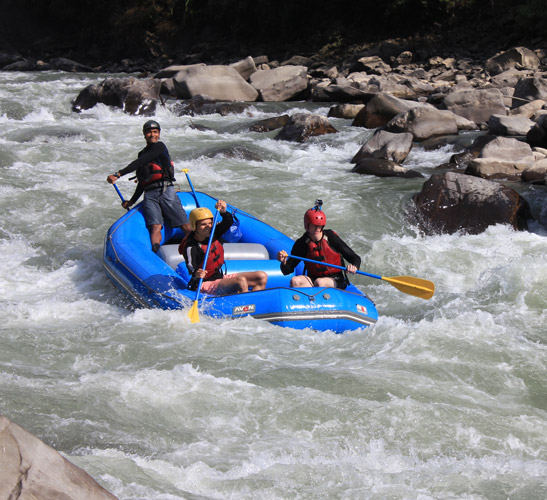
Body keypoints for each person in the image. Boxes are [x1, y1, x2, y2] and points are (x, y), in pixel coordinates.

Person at [106, 120, 191, 253]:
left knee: (183, 223)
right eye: (149, 132)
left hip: (165, 191)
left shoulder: (160, 147)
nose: (152, 135)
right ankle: (156, 253)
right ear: (144, 134)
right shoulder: (142, 153)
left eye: (155, 132)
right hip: (150, 194)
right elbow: (142, 181)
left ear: (159, 134)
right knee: (155, 226)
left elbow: (140, 162)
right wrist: (132, 201)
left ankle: (199, 247)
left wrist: (119, 174)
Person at [179, 200, 268, 295]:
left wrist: (223, 211)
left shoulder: (213, 233)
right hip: (203, 284)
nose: (208, 226)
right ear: (194, 226)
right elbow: (190, 265)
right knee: (240, 281)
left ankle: (253, 304)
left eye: (210, 223)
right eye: (203, 224)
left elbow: (228, 222)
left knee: (261, 276)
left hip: (219, 278)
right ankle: (246, 306)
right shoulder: (191, 246)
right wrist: (197, 272)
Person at [277, 201, 360, 289]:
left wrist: (354, 266)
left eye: (319, 226)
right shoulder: (302, 243)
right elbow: (287, 270)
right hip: (313, 279)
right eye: (314, 225)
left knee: (320, 282)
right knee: (295, 281)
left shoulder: (331, 237)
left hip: (336, 279)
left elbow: (355, 257)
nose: (317, 229)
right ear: (307, 226)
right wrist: (283, 261)